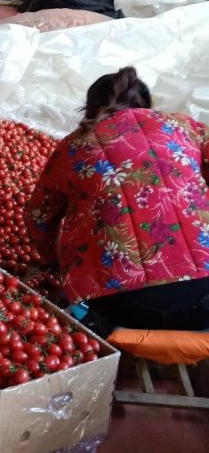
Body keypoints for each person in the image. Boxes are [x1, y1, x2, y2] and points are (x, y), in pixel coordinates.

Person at [27, 65, 209, 336]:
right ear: (146, 105)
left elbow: (40, 219)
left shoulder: (74, 146)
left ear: (90, 109)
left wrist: (51, 261)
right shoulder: (187, 128)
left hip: (122, 309)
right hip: (204, 301)